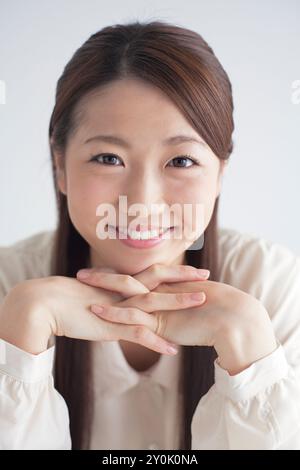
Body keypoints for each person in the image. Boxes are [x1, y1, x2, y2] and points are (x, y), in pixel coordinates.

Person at [0, 20, 299, 450]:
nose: (141, 202)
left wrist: (250, 353)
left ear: (220, 174)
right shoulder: (10, 284)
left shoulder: (271, 287)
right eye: (108, 157)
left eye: (180, 161)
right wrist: (21, 339)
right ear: (60, 164)